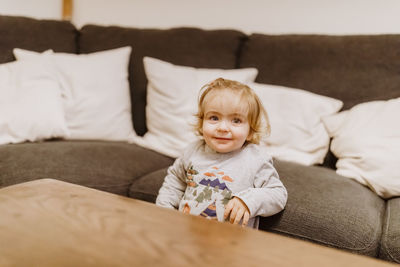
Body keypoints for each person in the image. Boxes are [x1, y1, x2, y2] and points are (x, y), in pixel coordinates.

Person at [156, 78, 287, 228]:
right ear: (201, 122)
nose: (223, 127)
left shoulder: (255, 159)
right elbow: (174, 182)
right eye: (214, 118)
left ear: (250, 131)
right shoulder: (192, 151)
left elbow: (278, 194)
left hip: (231, 243)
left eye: (236, 120)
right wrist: (163, 211)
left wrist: (248, 200)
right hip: (185, 233)